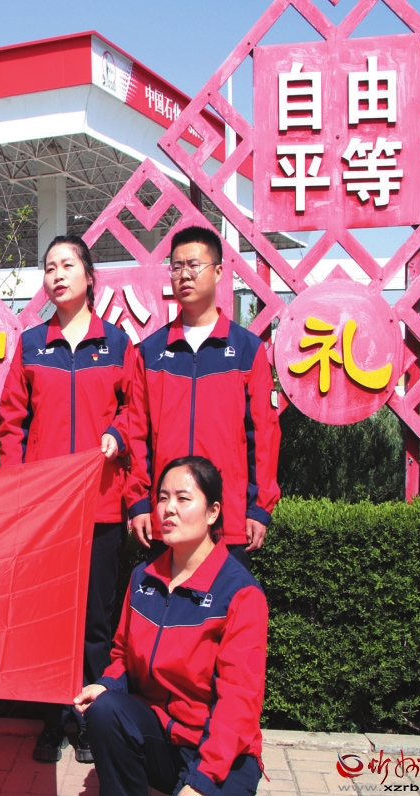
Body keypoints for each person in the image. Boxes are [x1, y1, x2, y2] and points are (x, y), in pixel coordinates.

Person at [0, 234, 133, 764]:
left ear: (90, 276)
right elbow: (12, 422)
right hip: (46, 511)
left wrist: (117, 434)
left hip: (100, 506)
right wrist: (16, 486)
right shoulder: (32, 344)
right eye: (50, 267)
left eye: (67, 265)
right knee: (47, 621)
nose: (57, 274)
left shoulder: (117, 344)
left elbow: (135, 409)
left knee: (96, 624)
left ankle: (90, 722)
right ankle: (51, 720)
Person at [74, 456, 268, 796]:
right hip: (160, 736)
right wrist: (107, 685)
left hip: (221, 752)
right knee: (105, 712)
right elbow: (122, 656)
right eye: (162, 498)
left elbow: (239, 701)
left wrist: (202, 780)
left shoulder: (240, 593)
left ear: (212, 512)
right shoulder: (143, 579)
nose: (169, 509)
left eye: (183, 498)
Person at [125, 225, 281, 569]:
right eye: (177, 266)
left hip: (227, 518)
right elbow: (137, 435)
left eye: (194, 265)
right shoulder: (150, 352)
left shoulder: (247, 350)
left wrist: (259, 508)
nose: (185, 275)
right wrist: (138, 503)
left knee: (226, 601)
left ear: (219, 272)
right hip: (167, 518)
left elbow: (264, 435)